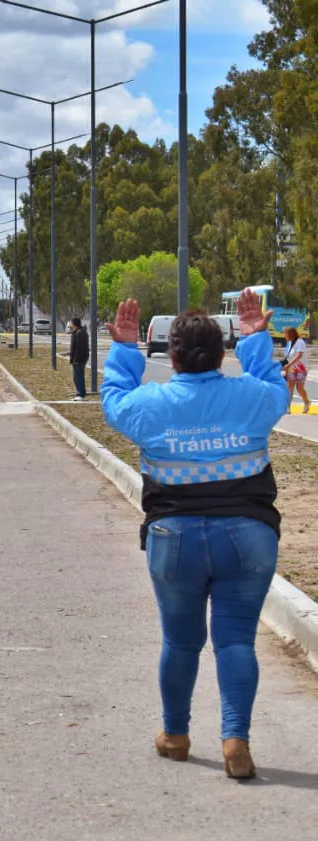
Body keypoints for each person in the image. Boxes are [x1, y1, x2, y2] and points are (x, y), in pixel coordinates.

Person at [102, 289, 289, 780]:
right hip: (248, 537)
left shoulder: (150, 405)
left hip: (173, 539)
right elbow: (275, 385)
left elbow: (113, 400)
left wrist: (124, 347)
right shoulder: (251, 398)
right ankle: (235, 741)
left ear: (173, 356)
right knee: (236, 643)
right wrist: (255, 337)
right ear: (222, 353)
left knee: (181, 643)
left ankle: (177, 735)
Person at [282, 326, 310, 414]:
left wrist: (289, 364)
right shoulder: (289, 343)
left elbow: (299, 355)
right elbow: (287, 358)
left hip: (301, 368)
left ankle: (306, 402)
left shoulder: (300, 342)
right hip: (291, 369)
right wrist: (286, 369)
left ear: (290, 334)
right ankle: (287, 407)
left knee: (299, 388)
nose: (284, 336)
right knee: (289, 387)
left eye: (285, 334)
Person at [68, 317, 89, 400]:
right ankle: (79, 393)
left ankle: (81, 394)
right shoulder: (78, 332)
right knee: (76, 377)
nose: (70, 324)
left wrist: (76, 359)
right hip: (79, 358)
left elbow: (79, 348)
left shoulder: (79, 333)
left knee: (78, 377)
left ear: (74, 324)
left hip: (79, 359)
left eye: (71, 323)